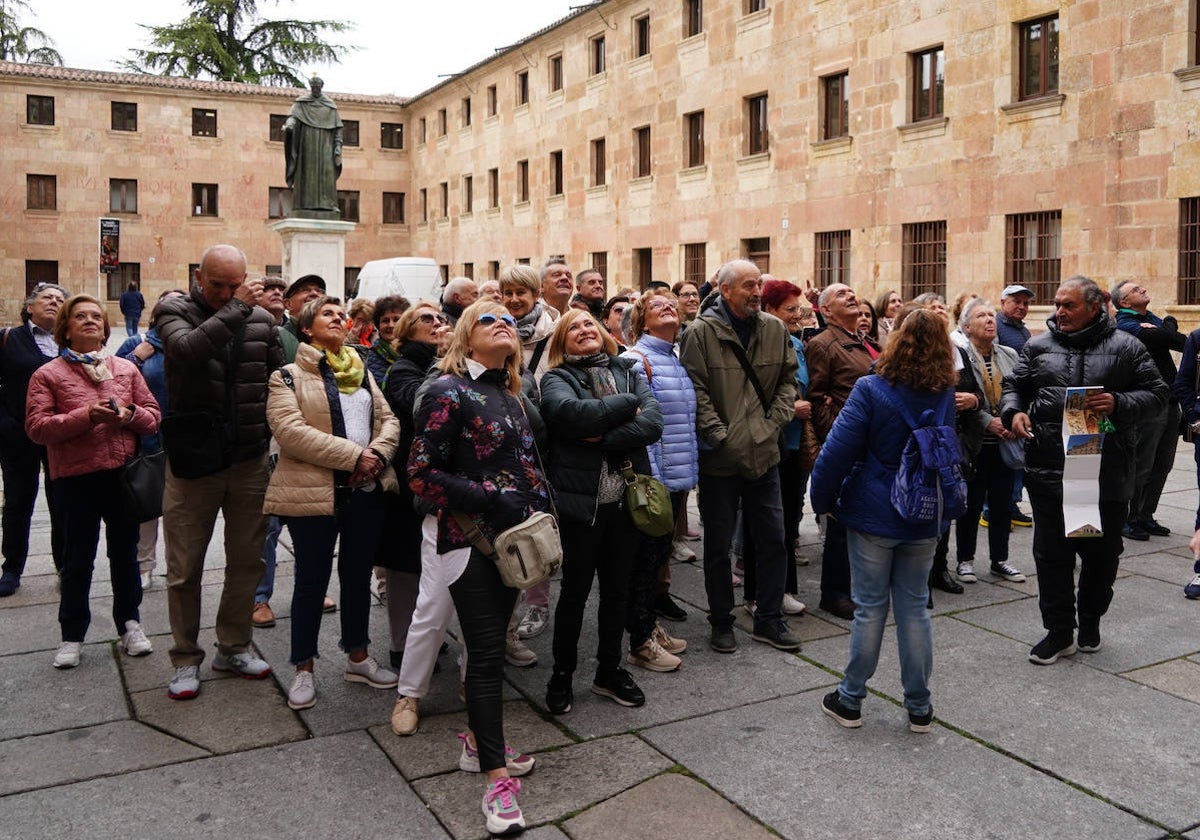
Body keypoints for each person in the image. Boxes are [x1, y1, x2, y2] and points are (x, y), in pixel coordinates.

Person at [408, 299, 550, 836]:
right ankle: (496, 780)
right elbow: (421, 474)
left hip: (515, 543)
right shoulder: (448, 390)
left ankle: (476, 742)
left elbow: (525, 463)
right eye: (490, 319)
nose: (504, 326)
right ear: (467, 338)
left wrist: (534, 508)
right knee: (488, 655)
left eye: (510, 322)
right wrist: (490, 496)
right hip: (469, 541)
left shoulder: (507, 392)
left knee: (487, 654)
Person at [1001, 276, 1167, 664]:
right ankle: (1058, 632)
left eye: (1069, 305)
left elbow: (1158, 395)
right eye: (1057, 304)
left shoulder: (1127, 347)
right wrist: (1014, 410)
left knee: (1099, 555)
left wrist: (1119, 403)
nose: (1059, 312)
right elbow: (1014, 385)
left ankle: (1090, 619)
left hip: (1100, 471)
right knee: (1051, 554)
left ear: (1096, 305)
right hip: (1048, 468)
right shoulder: (1038, 345)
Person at [811, 308, 958, 733]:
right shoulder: (944, 391)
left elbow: (836, 452)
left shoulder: (871, 389)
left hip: (875, 513)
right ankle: (919, 706)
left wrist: (823, 500)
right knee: (915, 609)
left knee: (870, 609)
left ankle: (851, 698)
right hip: (924, 513)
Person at [156, 244, 283, 700]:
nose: (226, 293)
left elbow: (275, 384)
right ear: (197, 276)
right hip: (193, 464)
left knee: (248, 560)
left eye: (235, 285)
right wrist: (238, 307)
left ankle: (233, 645)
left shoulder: (263, 322)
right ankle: (184, 657)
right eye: (217, 286)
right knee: (184, 568)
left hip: (248, 460)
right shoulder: (173, 311)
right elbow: (189, 351)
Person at [265, 295, 401, 710]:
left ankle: (357, 655)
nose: (340, 319)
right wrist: (354, 456)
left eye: (343, 315)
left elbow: (389, 420)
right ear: (306, 328)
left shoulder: (360, 371)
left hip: (364, 491)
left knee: (358, 576)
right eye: (328, 314)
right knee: (310, 581)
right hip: (314, 493)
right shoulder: (287, 376)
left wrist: (376, 455)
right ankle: (303, 667)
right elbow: (290, 432)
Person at [26, 294, 161, 669]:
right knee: (77, 559)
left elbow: (152, 417)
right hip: (75, 479)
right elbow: (37, 428)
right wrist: (87, 415)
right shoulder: (48, 374)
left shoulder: (125, 369)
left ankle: (130, 624)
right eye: (80, 317)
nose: (90, 322)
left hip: (122, 476)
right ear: (65, 329)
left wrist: (128, 415)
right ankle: (72, 635)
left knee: (125, 554)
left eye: (96, 317)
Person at [541, 309, 664, 711]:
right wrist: (630, 406)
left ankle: (608, 671)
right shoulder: (557, 378)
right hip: (583, 506)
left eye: (589, 324)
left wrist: (597, 435)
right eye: (573, 327)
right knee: (574, 593)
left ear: (601, 333)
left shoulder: (628, 369)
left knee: (617, 591)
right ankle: (562, 675)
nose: (583, 330)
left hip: (626, 503)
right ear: (561, 341)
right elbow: (570, 415)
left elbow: (653, 424)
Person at [679, 259, 802, 653]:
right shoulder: (700, 333)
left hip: (765, 454)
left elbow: (788, 381)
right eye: (748, 285)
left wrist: (773, 424)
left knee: (773, 539)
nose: (756, 293)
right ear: (725, 290)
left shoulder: (774, 328)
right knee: (717, 545)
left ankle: (769, 617)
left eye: (759, 285)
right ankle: (721, 621)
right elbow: (695, 390)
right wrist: (720, 435)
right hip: (721, 459)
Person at [387, 301, 458, 735]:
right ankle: (410, 692)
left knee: (482, 613)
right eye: (427, 319)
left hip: (491, 504)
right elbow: (422, 409)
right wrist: (448, 363)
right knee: (431, 605)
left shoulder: (496, 375)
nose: (438, 324)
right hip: (441, 500)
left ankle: (476, 682)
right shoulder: (406, 371)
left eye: (443, 319)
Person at [620, 291, 695, 672]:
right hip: (656, 483)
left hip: (677, 478)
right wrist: (652, 479)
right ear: (642, 323)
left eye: (671, 304)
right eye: (656, 306)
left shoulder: (674, 359)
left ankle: (648, 626)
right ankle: (640, 642)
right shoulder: (636, 360)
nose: (668, 307)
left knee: (656, 560)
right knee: (644, 564)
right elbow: (636, 424)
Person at [806, 283, 880, 620]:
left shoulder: (868, 342)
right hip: (846, 441)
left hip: (874, 441)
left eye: (852, 292)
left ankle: (858, 586)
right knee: (839, 521)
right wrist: (832, 437)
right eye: (841, 295)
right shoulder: (823, 344)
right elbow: (817, 397)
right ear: (826, 310)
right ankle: (834, 593)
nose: (851, 296)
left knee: (863, 515)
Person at [738, 278, 811, 616]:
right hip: (770, 440)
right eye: (790, 309)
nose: (797, 315)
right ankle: (756, 594)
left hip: (793, 443)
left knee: (786, 524)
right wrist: (789, 409)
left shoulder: (794, 341)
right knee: (764, 522)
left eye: (799, 308)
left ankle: (783, 589)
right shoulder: (761, 341)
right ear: (769, 310)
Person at [116, 288, 188, 589]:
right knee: (147, 505)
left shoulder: (190, 345)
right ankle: (144, 565)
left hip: (184, 440)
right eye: (167, 302)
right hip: (147, 440)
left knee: (181, 509)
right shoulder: (137, 343)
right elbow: (110, 385)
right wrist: (135, 358)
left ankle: (178, 567)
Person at [0, 282, 68, 596]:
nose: (54, 302)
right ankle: (12, 568)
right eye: (46, 298)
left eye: (59, 299)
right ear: (30, 307)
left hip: (60, 435)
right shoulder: (9, 339)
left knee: (62, 502)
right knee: (17, 501)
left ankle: (64, 566)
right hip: (17, 433)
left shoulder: (70, 341)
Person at [954, 299, 1026, 585]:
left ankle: (1000, 560)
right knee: (969, 505)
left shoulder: (1008, 353)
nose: (989, 319)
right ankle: (965, 560)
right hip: (974, 441)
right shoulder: (959, 355)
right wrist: (989, 422)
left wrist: (1013, 419)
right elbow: (960, 398)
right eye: (981, 316)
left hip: (1006, 443)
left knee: (1002, 503)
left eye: (990, 315)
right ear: (966, 326)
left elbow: (1021, 389)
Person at [1112, 280, 1184, 541]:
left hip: (1170, 401)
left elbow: (1181, 342)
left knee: (1163, 463)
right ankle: (1129, 518)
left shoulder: (1151, 319)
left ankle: (1146, 514)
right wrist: (1167, 325)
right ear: (1124, 302)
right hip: (1148, 404)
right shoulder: (1125, 324)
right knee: (1142, 463)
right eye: (1135, 289)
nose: (1142, 289)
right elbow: (1166, 337)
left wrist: (1167, 322)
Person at [284, 76, 343, 215]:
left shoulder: (330, 105)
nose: (315, 89)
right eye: (313, 87)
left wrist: (338, 146)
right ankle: (304, 204)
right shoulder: (302, 103)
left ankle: (329, 204)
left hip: (325, 145)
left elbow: (338, 128)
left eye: (318, 87)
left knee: (327, 173)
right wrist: (290, 124)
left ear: (321, 87)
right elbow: (292, 116)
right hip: (307, 143)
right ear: (311, 87)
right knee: (306, 173)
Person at [363, 295, 410, 394]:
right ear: (378, 325)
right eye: (385, 320)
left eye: (396, 319)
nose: (391, 325)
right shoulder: (367, 359)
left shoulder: (416, 355)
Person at [281, 275, 327, 363]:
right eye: (305, 290)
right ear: (288, 304)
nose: (314, 293)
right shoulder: (279, 336)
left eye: (319, 291)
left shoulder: (332, 333)